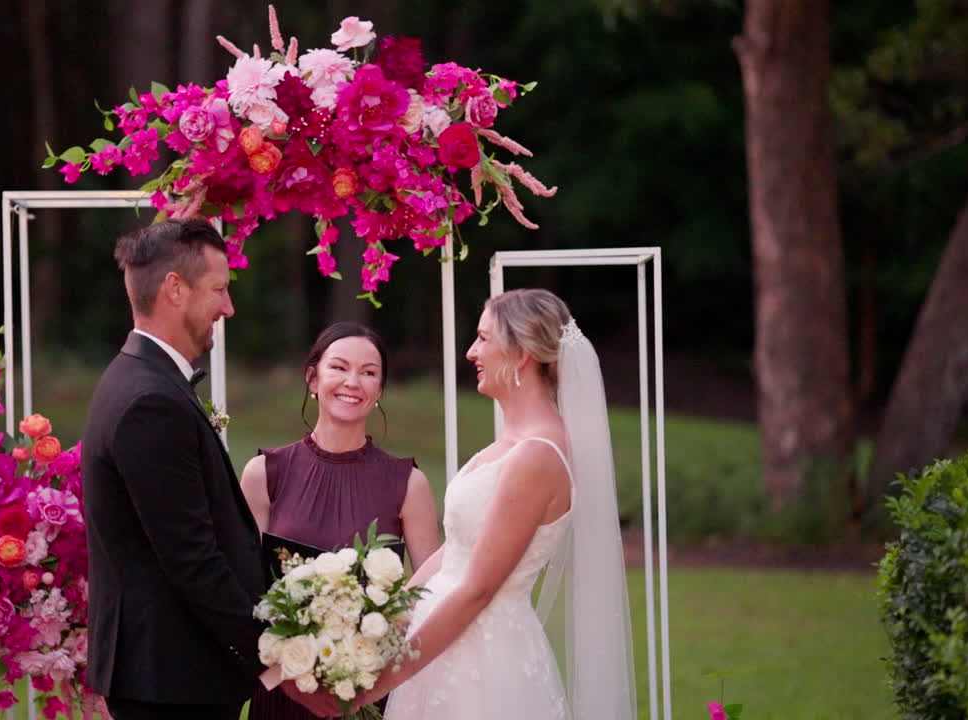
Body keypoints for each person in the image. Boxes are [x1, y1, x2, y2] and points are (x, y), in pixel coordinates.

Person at [81, 219, 339, 720]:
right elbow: (192, 559)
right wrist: (282, 667)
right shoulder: (149, 401)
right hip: (171, 681)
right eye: (219, 290)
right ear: (175, 289)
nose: (228, 308)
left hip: (175, 674)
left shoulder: (142, 380)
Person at [357, 289, 638, 720]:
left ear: (521, 352)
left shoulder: (538, 455)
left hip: (483, 662)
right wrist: (382, 620)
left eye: (484, 339)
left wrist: (384, 677)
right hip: (442, 645)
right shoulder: (511, 442)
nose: (471, 352)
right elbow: (457, 550)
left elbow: (478, 590)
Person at [240, 322, 441, 720]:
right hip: (283, 694)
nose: (353, 381)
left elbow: (430, 600)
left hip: (366, 695)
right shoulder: (264, 474)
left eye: (368, 373)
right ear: (312, 378)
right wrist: (288, 679)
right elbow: (243, 594)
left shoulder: (410, 485)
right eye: (339, 367)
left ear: (380, 391)